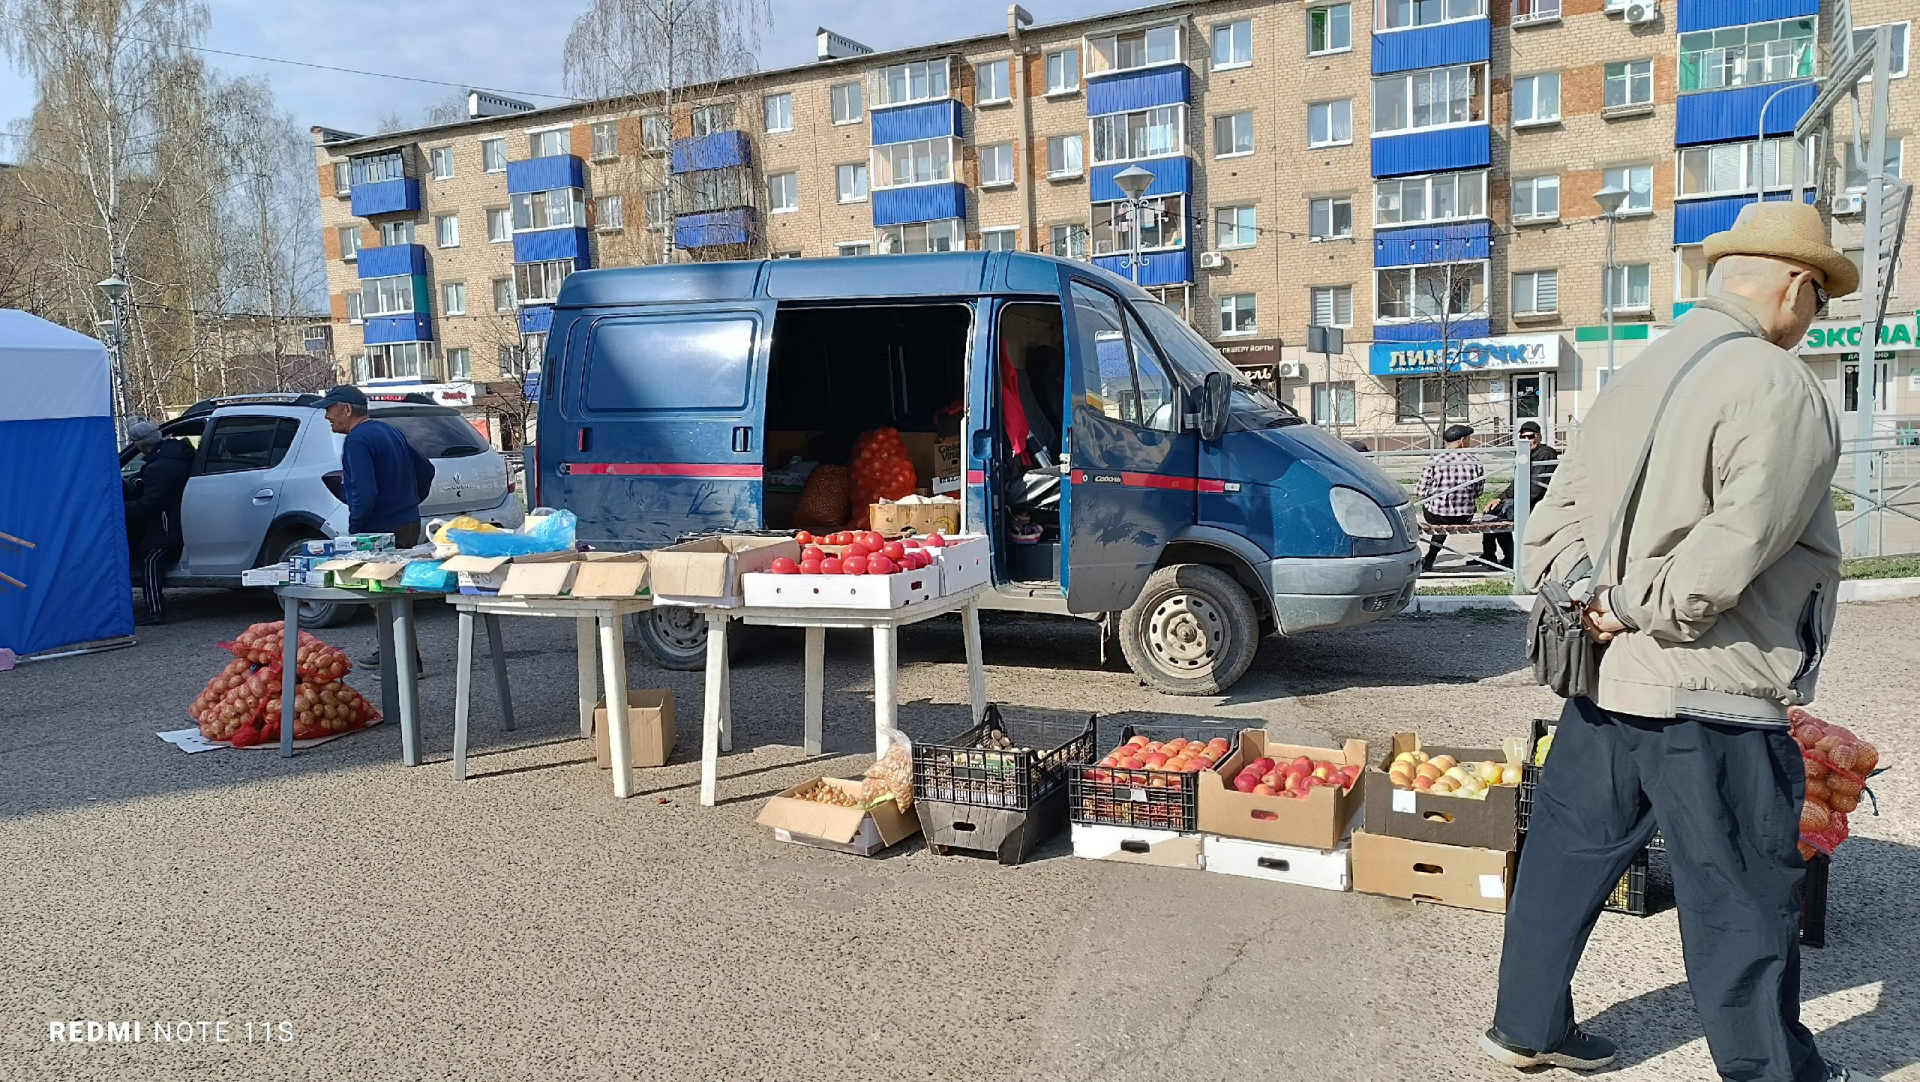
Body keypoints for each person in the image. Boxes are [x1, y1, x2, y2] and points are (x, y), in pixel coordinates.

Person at [1487, 202, 1874, 1081]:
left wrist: (1593, 599)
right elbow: (1735, 545)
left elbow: (1553, 522)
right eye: (1820, 301)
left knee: (1564, 858)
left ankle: (1526, 1026)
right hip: (1711, 682)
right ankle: (1770, 1070)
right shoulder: (1780, 386)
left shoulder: (1636, 371)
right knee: (1741, 890)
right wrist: (1633, 605)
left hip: (1608, 680)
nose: (1815, 320)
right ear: (1796, 282)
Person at [318, 385, 434, 668]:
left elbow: (363, 492)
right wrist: (409, 502)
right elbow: (426, 470)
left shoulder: (357, 440)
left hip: (379, 528)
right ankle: (398, 654)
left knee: (381, 594)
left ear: (346, 409)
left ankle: (404, 662)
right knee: (394, 591)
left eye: (329, 410)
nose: (326, 417)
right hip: (407, 521)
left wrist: (356, 527)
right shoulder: (388, 431)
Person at [123, 419, 194, 625]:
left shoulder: (158, 467)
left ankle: (154, 610)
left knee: (150, 559)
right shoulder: (180, 454)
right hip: (181, 520)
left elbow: (149, 504)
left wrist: (122, 509)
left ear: (139, 445)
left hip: (167, 526)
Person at [1480, 421, 1560, 569]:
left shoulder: (1545, 454)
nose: (1527, 440)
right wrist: (1500, 498)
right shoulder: (1525, 454)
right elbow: (1516, 483)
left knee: (1498, 516)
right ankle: (1489, 555)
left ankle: (1511, 557)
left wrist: (1510, 502)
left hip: (1538, 504)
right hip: (1525, 500)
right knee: (1489, 512)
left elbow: (1536, 489)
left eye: (1530, 436)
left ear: (1539, 437)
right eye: (1523, 437)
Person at [1415, 423, 1483, 571]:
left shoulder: (1435, 460)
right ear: (1462, 440)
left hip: (1437, 516)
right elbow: (1478, 492)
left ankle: (1430, 558)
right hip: (1464, 516)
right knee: (1445, 523)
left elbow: (1420, 491)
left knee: (1437, 517)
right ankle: (1430, 557)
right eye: (1469, 439)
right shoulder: (1475, 461)